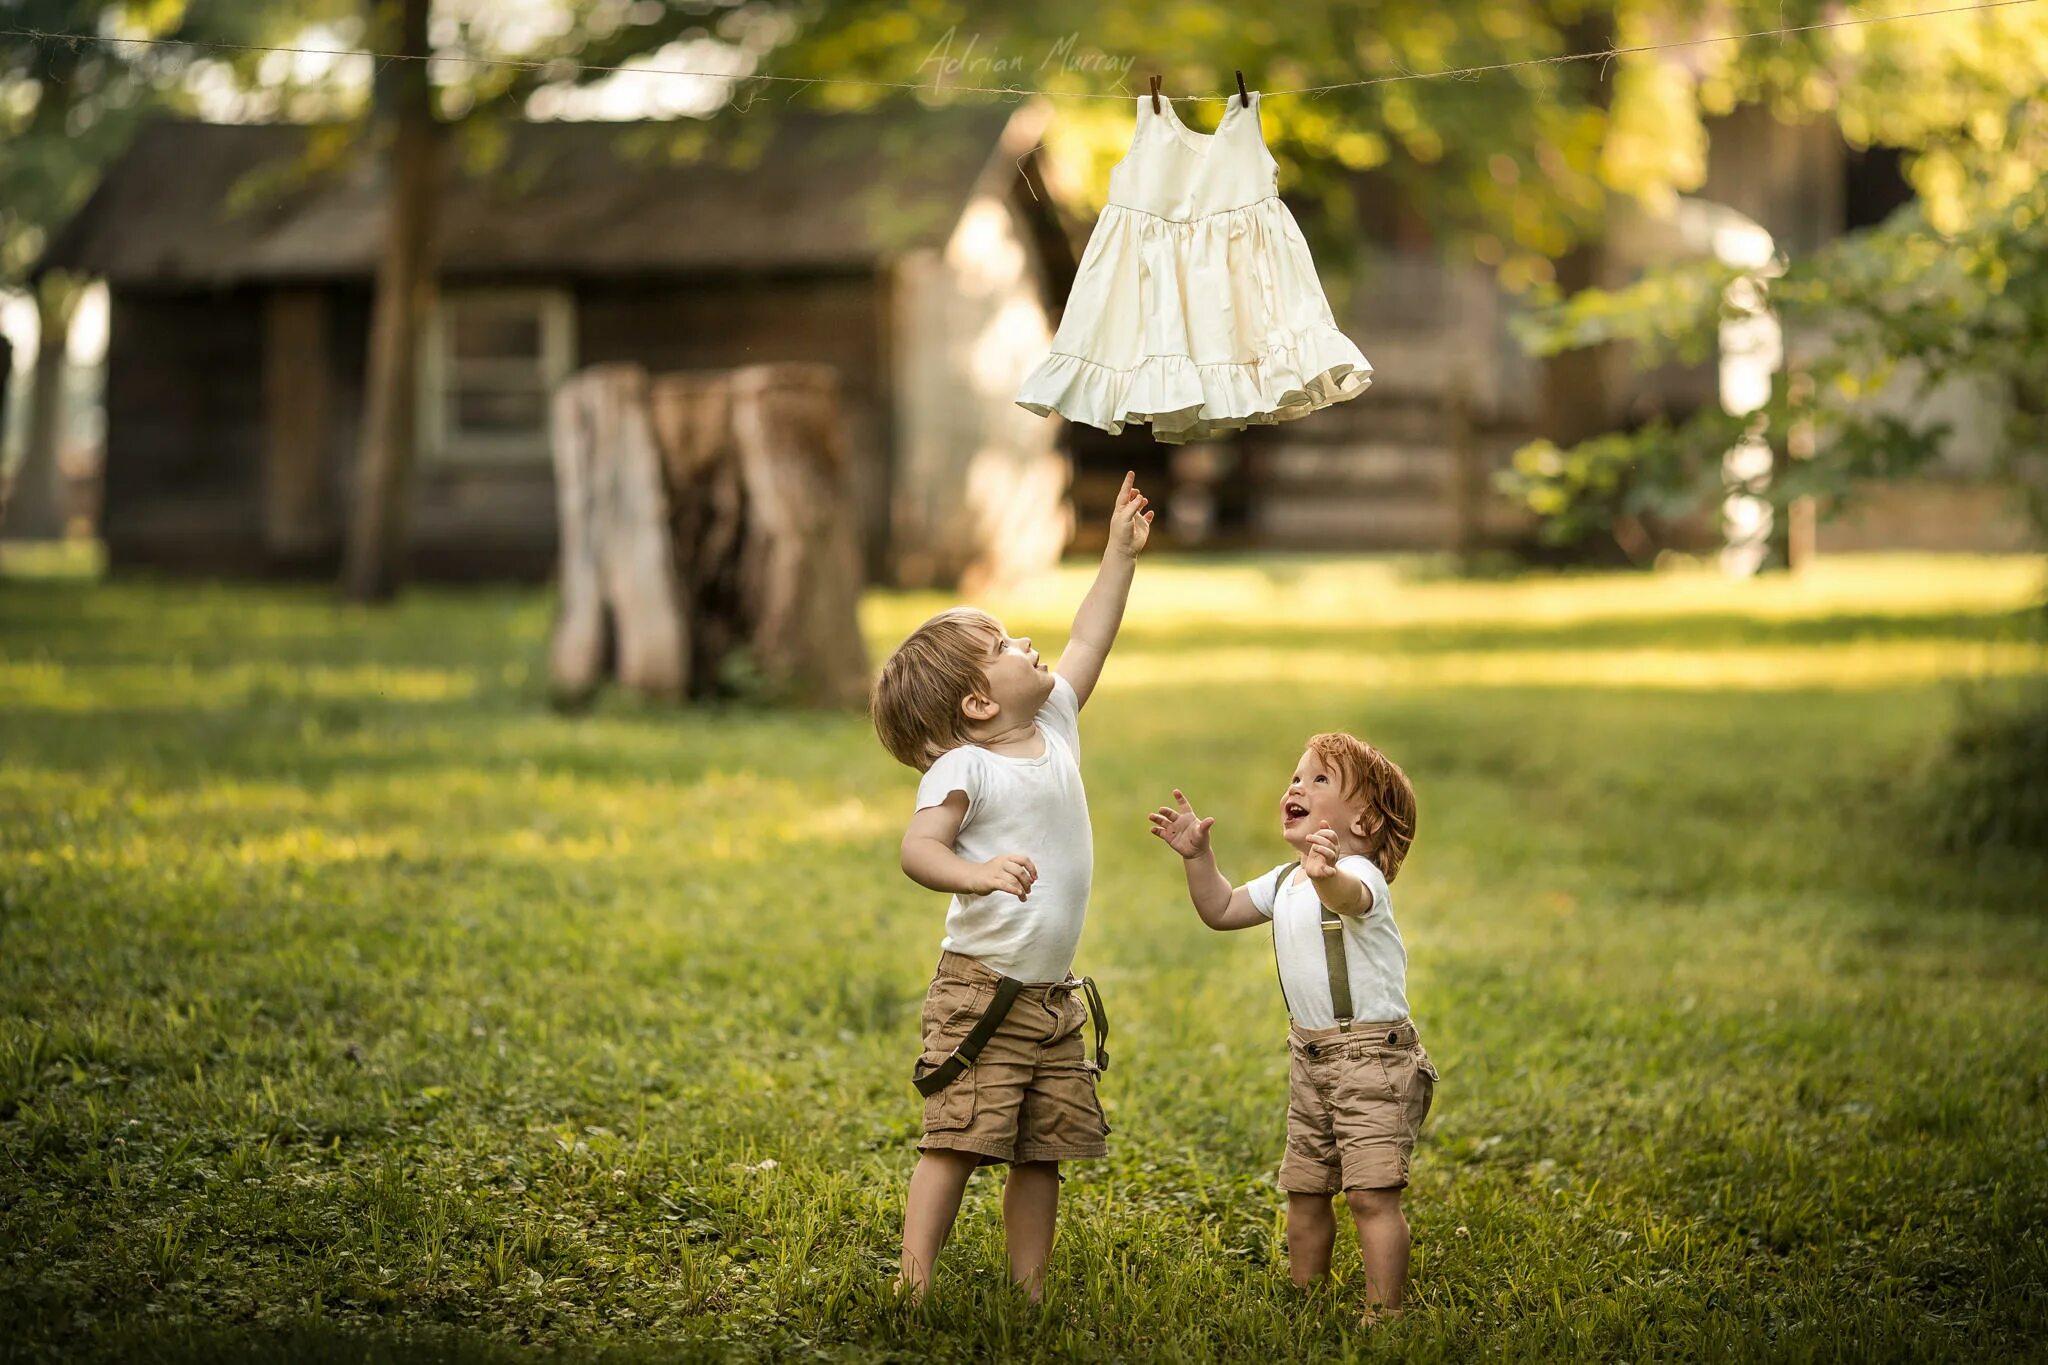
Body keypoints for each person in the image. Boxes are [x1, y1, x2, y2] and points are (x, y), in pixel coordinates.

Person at [871, 472, 1153, 1302]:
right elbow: (919, 849)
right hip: (981, 992)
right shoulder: (968, 764)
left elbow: (1090, 640)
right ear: (979, 701)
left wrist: (1117, 553)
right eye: (1004, 646)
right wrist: (979, 870)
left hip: (1051, 994)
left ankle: (1030, 1288)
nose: (1027, 644)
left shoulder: (1053, 724)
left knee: (1043, 1148)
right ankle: (913, 1282)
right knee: (956, 1138)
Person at [1149, 734, 1435, 1319]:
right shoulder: (1286, 882)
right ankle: (1306, 1298)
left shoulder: (1359, 874)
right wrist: (1198, 859)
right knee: (1305, 1188)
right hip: (1311, 1059)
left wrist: (1326, 871)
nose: (1296, 787)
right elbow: (1221, 910)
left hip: (1372, 1060)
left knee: (1369, 1193)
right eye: (1296, 777)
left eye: (1319, 780)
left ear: (1365, 819)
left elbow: (1350, 898)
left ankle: (1386, 1312)